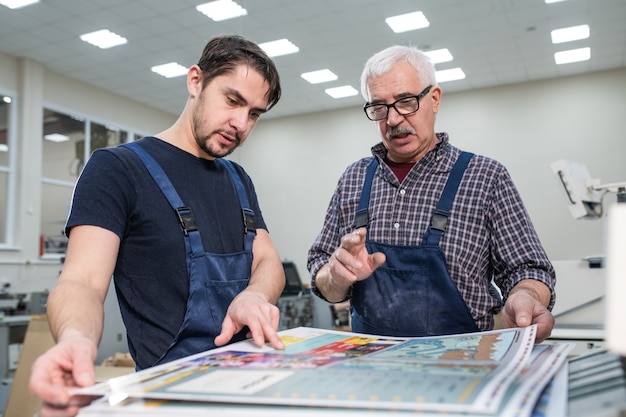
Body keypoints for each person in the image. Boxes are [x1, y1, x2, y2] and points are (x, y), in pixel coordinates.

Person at [29, 35, 286, 416]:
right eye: (232, 101)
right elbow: (81, 281)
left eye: (254, 113)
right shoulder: (117, 169)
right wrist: (76, 338)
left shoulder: (238, 178)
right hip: (170, 398)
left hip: (248, 384)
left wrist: (255, 296)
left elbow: (268, 263)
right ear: (195, 81)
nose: (240, 124)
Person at [307, 45, 556, 344]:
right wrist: (335, 277)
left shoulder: (486, 177)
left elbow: (528, 268)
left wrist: (525, 296)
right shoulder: (354, 179)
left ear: (434, 99)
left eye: (406, 101)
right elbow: (324, 275)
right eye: (379, 108)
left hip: (462, 367)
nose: (394, 119)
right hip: (371, 370)